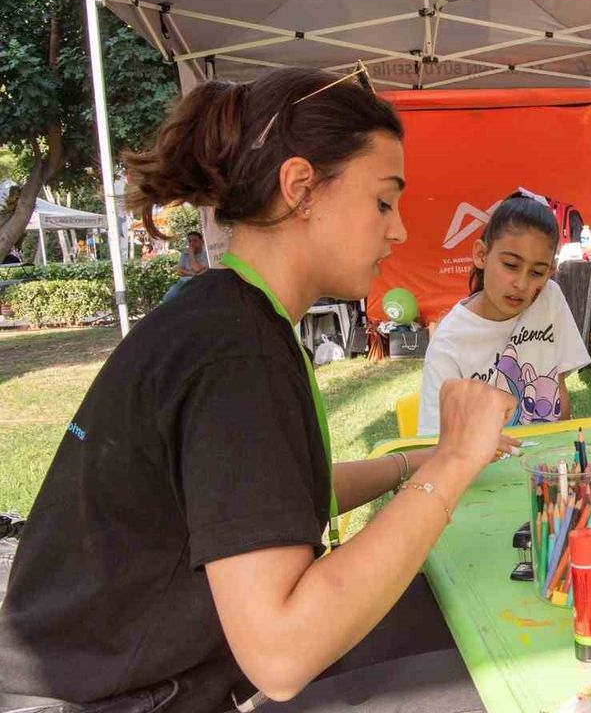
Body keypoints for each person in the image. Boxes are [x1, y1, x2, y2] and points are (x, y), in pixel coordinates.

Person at [0, 67, 516, 713]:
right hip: (106, 700)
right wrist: (452, 463)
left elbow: (275, 500)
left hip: (106, 681)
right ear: (300, 187)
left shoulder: (223, 314)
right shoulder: (236, 353)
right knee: (493, 682)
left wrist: (411, 464)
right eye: (384, 201)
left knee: (438, 617)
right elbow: (281, 655)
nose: (400, 230)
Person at [417, 193, 591, 437]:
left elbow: (558, 389)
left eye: (537, 272)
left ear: (550, 272)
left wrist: (560, 453)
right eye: (511, 265)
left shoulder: (549, 297)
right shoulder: (448, 343)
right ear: (481, 255)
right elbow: (435, 444)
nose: (521, 284)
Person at [162, 231, 212, 303]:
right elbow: (180, 271)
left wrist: (191, 254)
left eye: (195, 241)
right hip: (183, 282)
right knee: (167, 298)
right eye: (190, 241)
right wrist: (194, 274)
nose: (192, 243)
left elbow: (197, 269)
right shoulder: (184, 255)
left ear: (202, 241)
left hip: (199, 283)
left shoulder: (206, 255)